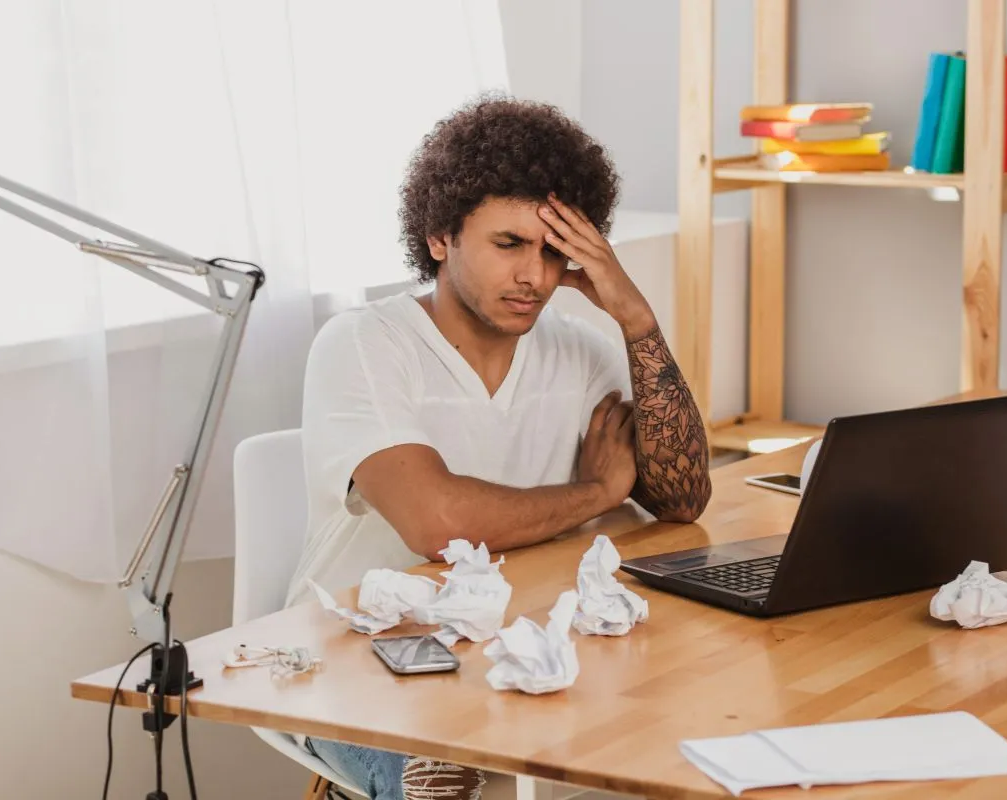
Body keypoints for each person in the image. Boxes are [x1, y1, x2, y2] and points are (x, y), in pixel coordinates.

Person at [286, 94, 711, 800]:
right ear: (440, 237)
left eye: (554, 251)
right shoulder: (364, 344)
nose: (536, 278)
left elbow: (682, 499)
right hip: (356, 661)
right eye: (509, 244)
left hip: (520, 654)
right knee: (445, 780)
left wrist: (637, 322)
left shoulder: (579, 350)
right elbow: (437, 524)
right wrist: (598, 495)